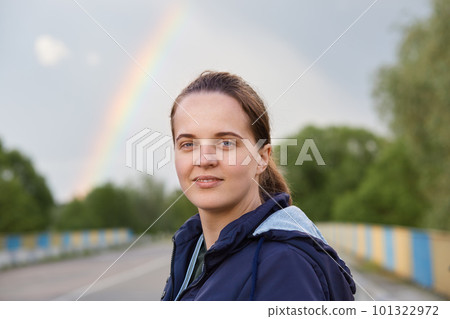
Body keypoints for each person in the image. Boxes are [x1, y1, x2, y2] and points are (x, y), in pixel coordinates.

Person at [161, 71, 356, 301]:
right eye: (188, 144)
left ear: (263, 157)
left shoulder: (286, 265)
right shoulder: (193, 250)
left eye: (226, 143)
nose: (204, 159)